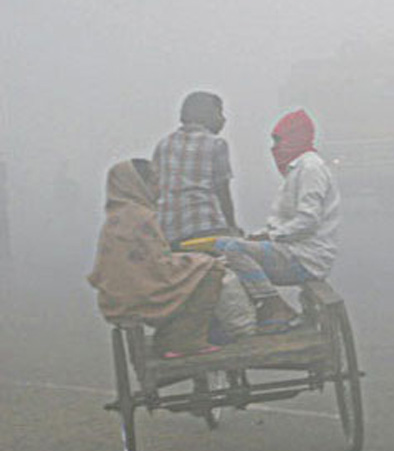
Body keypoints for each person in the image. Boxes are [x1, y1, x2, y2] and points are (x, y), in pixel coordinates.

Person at [213, 109, 341, 331]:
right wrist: (261, 235)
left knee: (233, 249)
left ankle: (273, 306)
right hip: (291, 251)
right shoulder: (298, 169)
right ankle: (266, 308)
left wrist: (270, 236)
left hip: (305, 259)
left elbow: (308, 221)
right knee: (222, 246)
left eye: (279, 140)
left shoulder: (310, 169)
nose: (274, 147)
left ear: (295, 138)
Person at [88, 159, 223, 358]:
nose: (160, 189)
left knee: (194, 265)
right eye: (155, 182)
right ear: (139, 186)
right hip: (141, 295)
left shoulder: (116, 216)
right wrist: (201, 260)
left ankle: (169, 336)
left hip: (116, 297)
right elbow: (160, 268)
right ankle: (187, 340)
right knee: (211, 269)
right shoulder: (141, 216)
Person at [152, 91, 240, 248]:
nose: (224, 119)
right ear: (206, 115)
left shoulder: (164, 144)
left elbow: (154, 189)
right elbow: (222, 191)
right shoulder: (216, 144)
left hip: (168, 231)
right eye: (220, 112)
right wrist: (232, 228)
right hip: (205, 226)